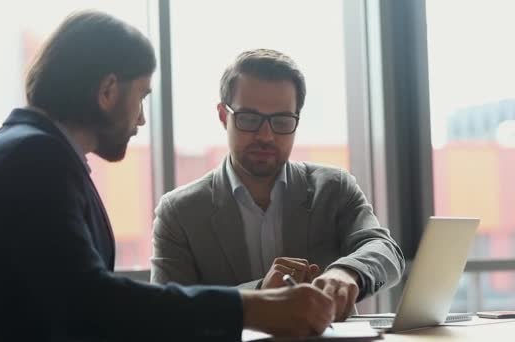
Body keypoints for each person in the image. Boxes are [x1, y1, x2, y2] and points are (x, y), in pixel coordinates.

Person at [0, 12, 336, 342]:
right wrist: (255, 308)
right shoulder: (32, 160)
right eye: (142, 96)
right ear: (109, 90)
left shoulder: (27, 152)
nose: (142, 119)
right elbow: (91, 303)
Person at [151, 49, 405, 321]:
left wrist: (347, 271)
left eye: (282, 121)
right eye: (249, 119)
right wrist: (259, 294)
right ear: (224, 116)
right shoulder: (179, 212)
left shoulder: (334, 188)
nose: (266, 135)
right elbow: (167, 313)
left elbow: (385, 249)